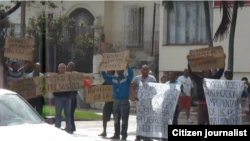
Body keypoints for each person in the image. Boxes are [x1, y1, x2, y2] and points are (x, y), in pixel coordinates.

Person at [187, 55, 225, 125]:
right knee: (201, 122)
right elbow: (192, 72)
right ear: (203, 73)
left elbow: (221, 71)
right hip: (201, 104)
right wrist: (189, 63)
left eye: (208, 72)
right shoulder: (199, 79)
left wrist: (223, 60)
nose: (207, 73)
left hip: (211, 104)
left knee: (210, 122)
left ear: (211, 73)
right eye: (205, 72)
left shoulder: (214, 79)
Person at [101, 60, 133, 140]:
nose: (119, 71)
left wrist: (128, 66)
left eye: (121, 70)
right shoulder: (114, 78)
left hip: (124, 101)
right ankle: (116, 134)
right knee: (116, 119)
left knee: (124, 119)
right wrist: (102, 68)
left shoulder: (127, 78)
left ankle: (124, 135)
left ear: (123, 70)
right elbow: (105, 77)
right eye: (118, 70)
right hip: (116, 101)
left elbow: (131, 74)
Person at [131, 65, 156, 141]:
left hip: (149, 102)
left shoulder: (152, 79)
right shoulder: (137, 78)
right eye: (144, 69)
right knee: (140, 118)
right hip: (140, 102)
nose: (145, 71)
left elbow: (155, 88)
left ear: (148, 71)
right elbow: (132, 87)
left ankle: (147, 136)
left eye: (147, 70)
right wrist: (135, 95)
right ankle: (139, 135)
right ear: (141, 70)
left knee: (148, 118)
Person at [53, 63, 72, 134]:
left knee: (68, 113)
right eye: (61, 68)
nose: (62, 69)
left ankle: (68, 127)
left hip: (67, 97)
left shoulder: (69, 76)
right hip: (58, 97)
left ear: (65, 69)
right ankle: (57, 127)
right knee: (58, 113)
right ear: (58, 69)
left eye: (63, 68)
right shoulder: (54, 77)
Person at [99, 70, 116, 137]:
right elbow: (100, 88)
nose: (107, 71)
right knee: (105, 117)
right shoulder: (106, 81)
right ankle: (104, 131)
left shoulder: (115, 79)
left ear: (112, 72)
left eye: (109, 71)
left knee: (116, 118)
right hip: (108, 102)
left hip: (115, 102)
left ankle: (116, 132)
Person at [66, 62, 77, 133]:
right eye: (70, 66)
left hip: (73, 96)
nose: (71, 68)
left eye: (72, 67)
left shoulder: (75, 74)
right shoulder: (64, 74)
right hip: (67, 95)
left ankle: (71, 126)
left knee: (70, 112)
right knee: (68, 112)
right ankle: (70, 126)